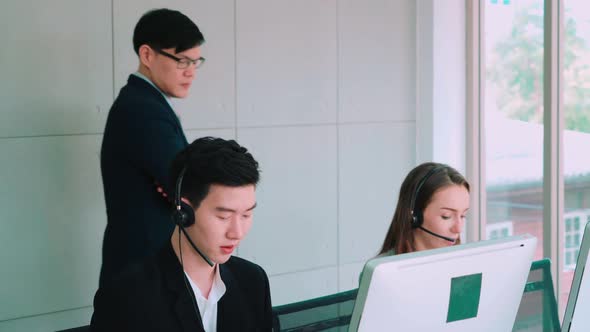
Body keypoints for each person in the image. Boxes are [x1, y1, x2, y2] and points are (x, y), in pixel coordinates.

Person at [90, 137, 273, 331]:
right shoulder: (126, 296)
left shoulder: (253, 282)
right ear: (183, 212)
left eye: (246, 214)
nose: (237, 233)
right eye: (223, 216)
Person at [99, 8, 206, 287]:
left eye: (196, 62)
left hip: (144, 261)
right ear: (147, 55)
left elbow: (178, 181)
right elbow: (187, 185)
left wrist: (176, 184)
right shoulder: (142, 110)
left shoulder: (145, 103)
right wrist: (178, 186)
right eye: (182, 61)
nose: (191, 73)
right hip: (143, 265)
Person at [378, 162, 470, 256]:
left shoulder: (466, 264)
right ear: (415, 216)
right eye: (446, 216)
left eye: (463, 216)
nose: (458, 229)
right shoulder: (383, 269)